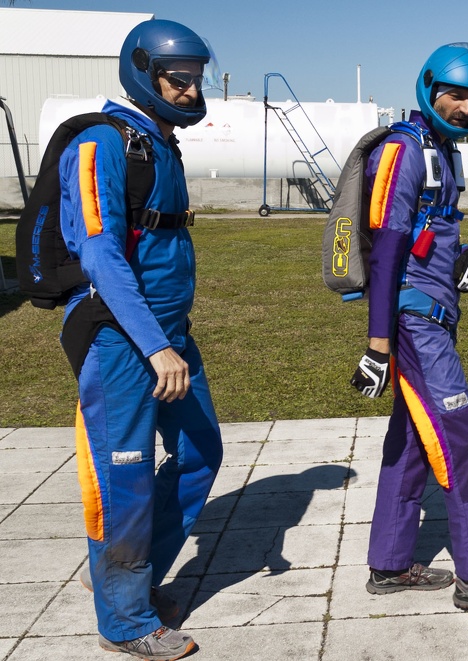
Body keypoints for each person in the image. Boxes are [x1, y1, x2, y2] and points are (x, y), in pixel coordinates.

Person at [349, 42, 468, 618]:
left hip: (431, 317)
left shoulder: (439, 151)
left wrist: (459, 259)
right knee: (466, 445)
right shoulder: (405, 153)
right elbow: (386, 252)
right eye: (454, 95)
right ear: (429, 90)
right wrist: (378, 344)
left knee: (409, 444)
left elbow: (428, 235)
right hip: (413, 326)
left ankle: (390, 561)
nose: (464, 107)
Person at [62, 19, 223, 660]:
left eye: (196, 79)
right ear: (141, 70)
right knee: (121, 480)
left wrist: (171, 340)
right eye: (177, 79)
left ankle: (125, 576)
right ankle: (125, 619)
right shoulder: (105, 143)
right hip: (123, 343)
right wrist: (156, 346)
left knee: (199, 454)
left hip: (169, 337)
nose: (190, 91)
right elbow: (102, 254)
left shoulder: (161, 144)